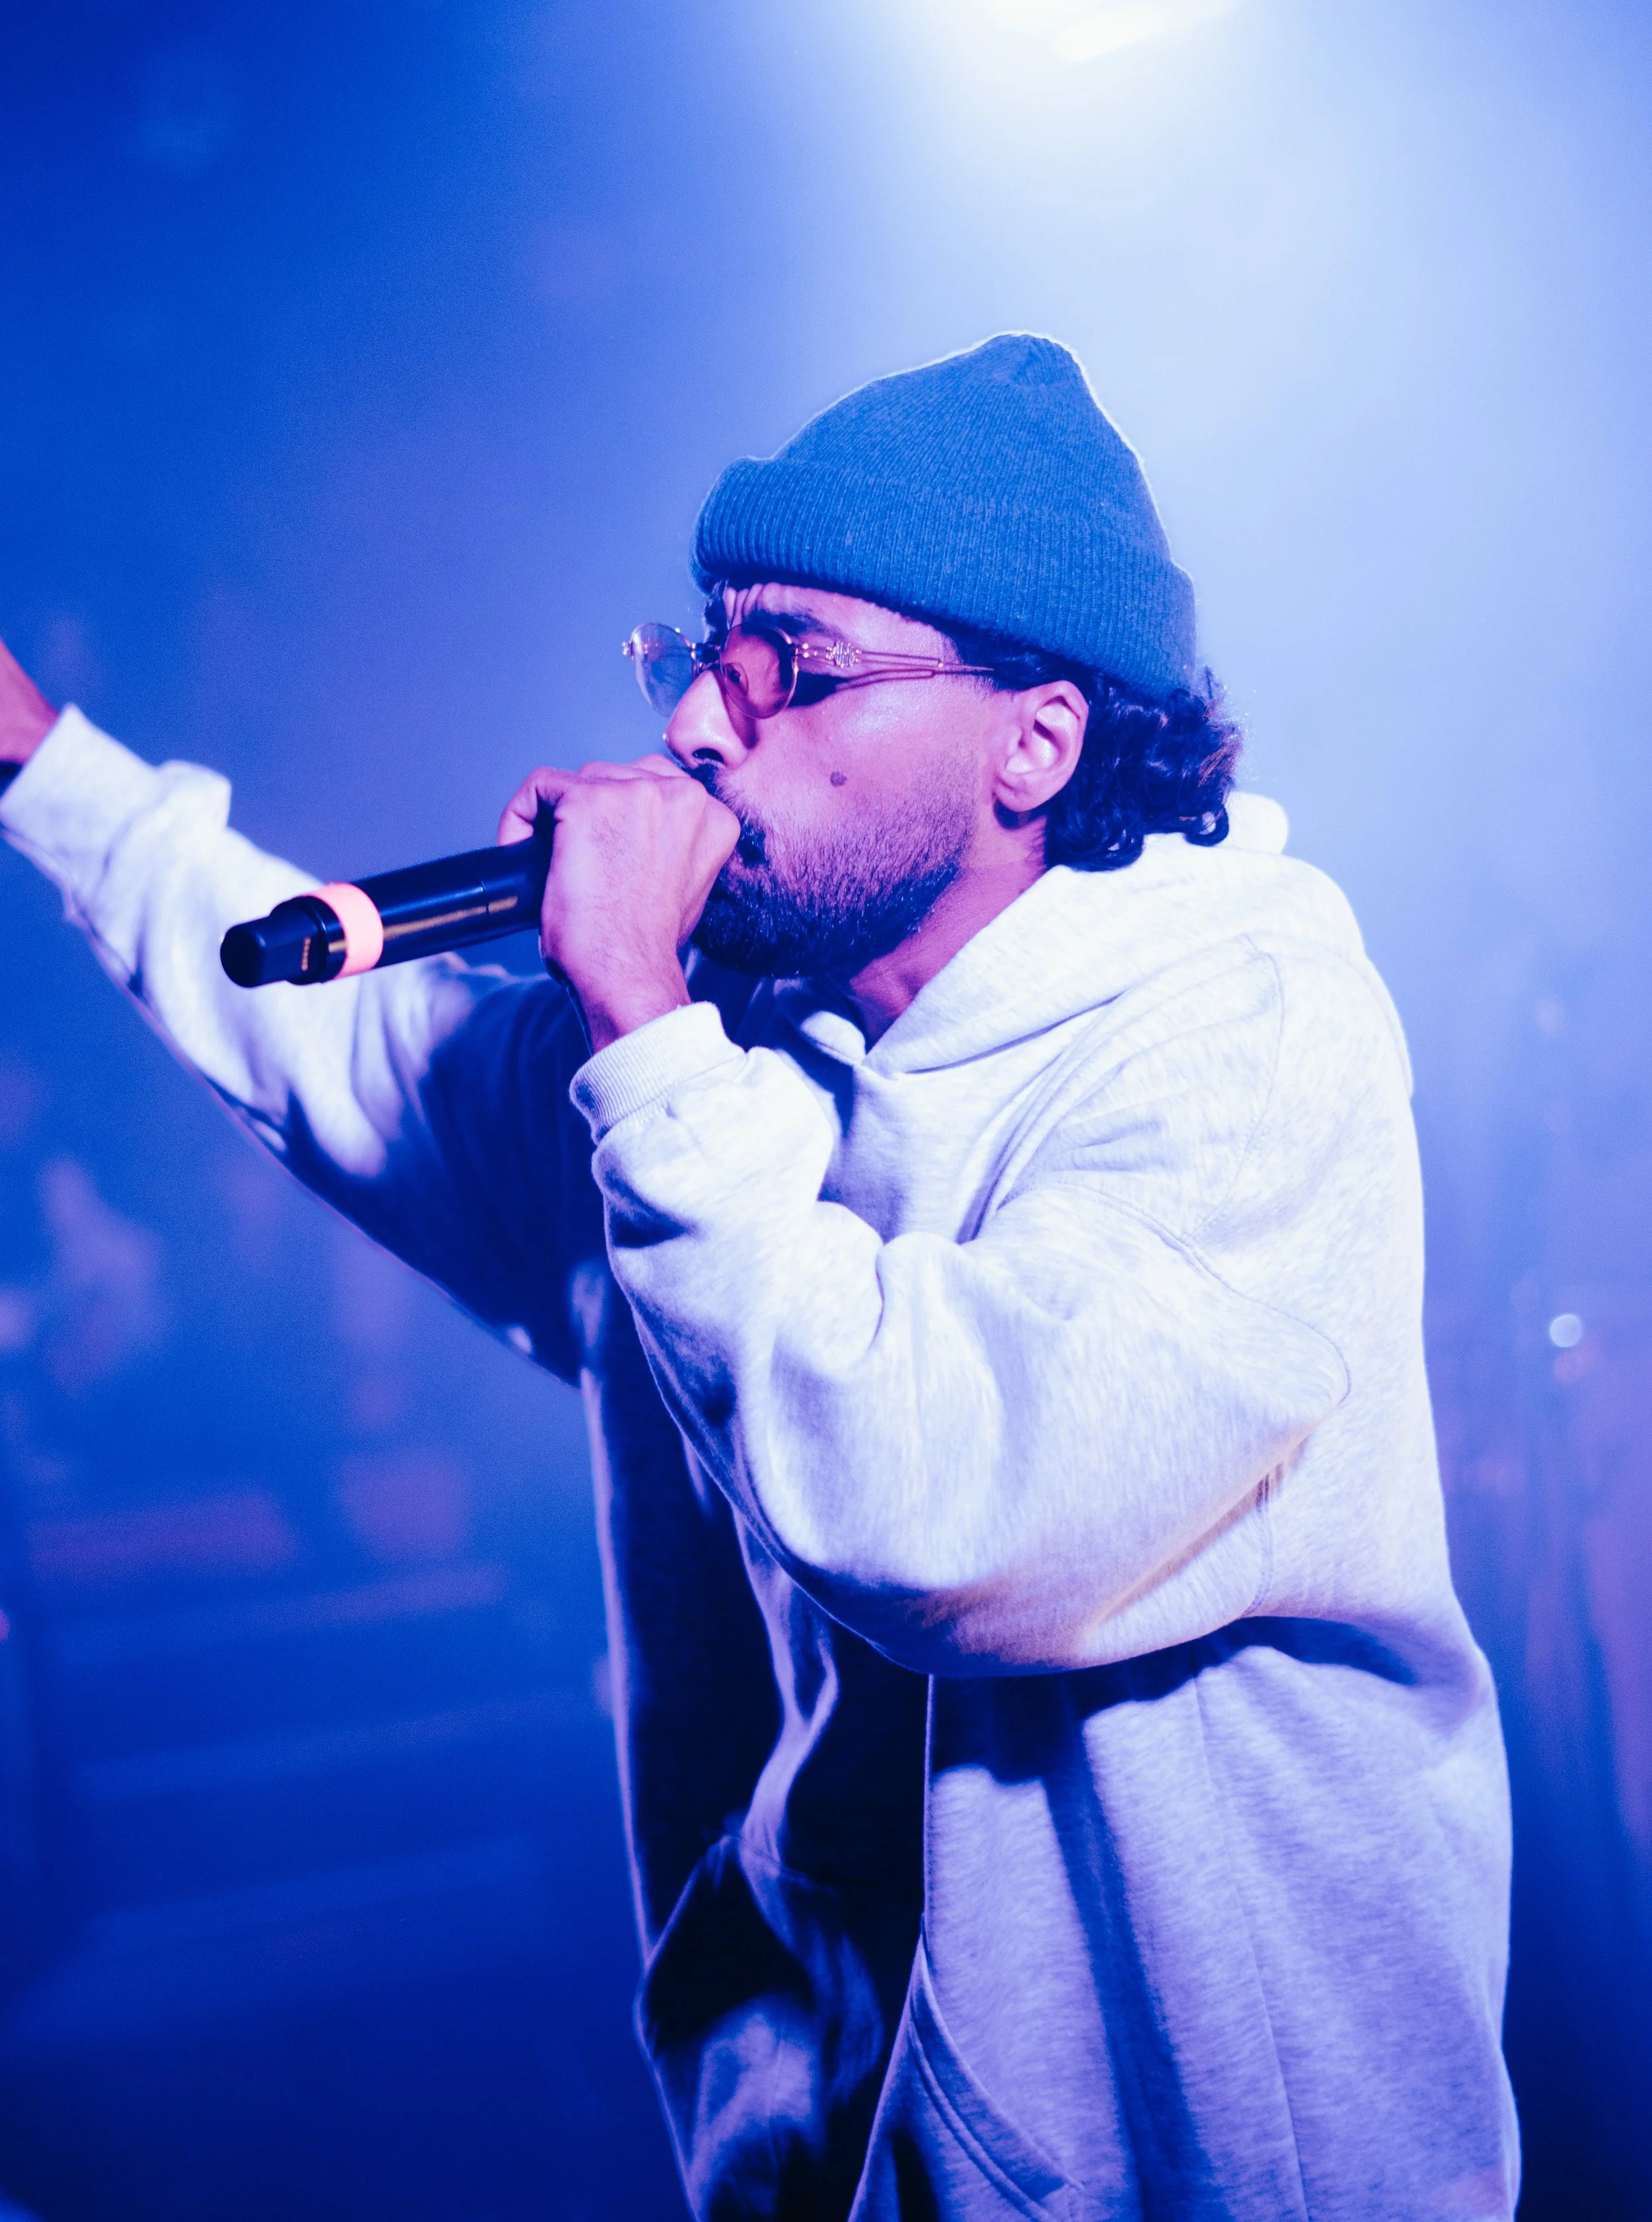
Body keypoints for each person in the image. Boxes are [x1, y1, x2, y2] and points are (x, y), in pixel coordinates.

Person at [0, 334, 1519, 2220]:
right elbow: (360, 1067)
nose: (702, 726)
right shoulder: (736, 1065)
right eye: (698, 653)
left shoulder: (1239, 1037)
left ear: (1031, 740)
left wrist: (641, 1020)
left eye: (787, 664)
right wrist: (39, 762)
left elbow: (942, 1510)